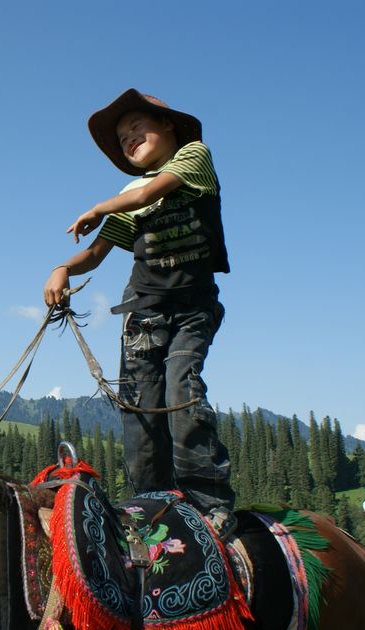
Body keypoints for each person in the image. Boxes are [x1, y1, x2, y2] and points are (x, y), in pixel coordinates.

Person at [42, 88, 235, 537]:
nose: (129, 139)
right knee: (140, 414)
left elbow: (152, 191)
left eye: (136, 128)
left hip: (191, 310)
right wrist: (62, 269)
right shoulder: (131, 193)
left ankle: (209, 504)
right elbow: (96, 253)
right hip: (142, 317)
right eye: (122, 138)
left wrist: (97, 206)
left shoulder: (193, 157)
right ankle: (152, 505)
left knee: (181, 395)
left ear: (169, 126)